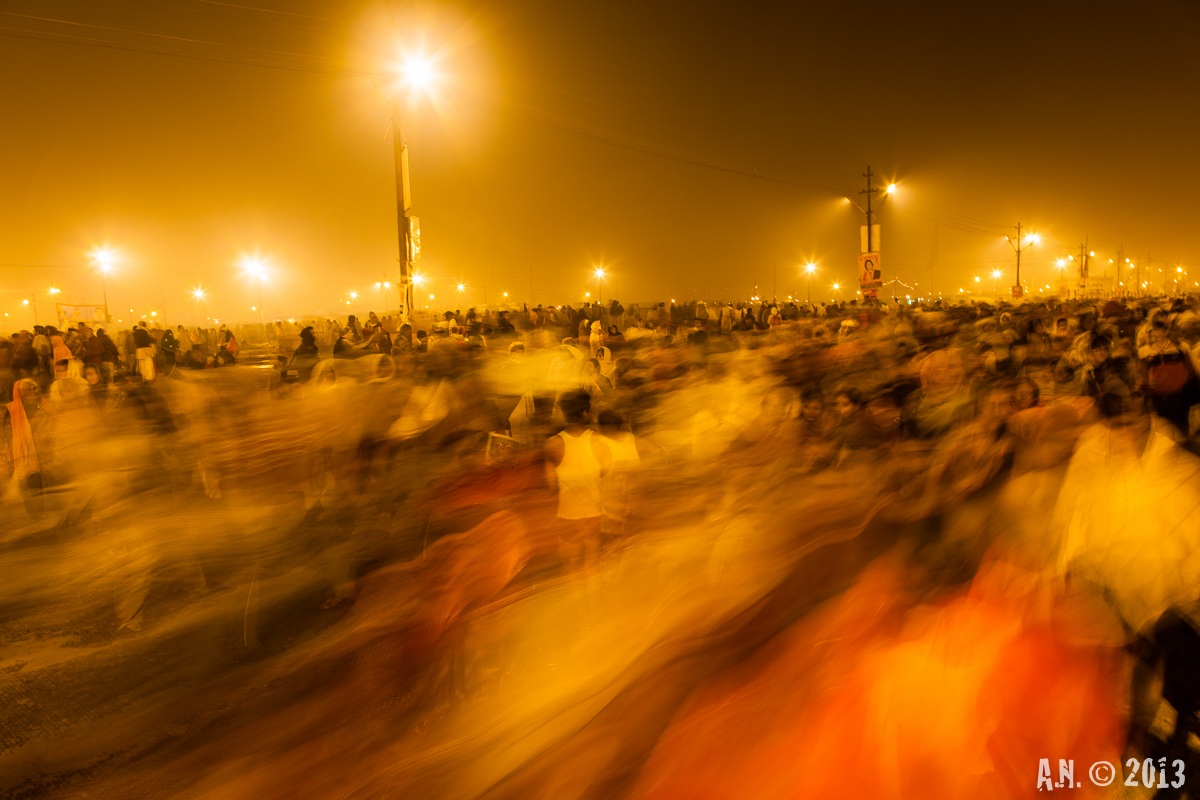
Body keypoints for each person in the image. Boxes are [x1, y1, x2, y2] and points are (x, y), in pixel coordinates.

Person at [544, 390, 611, 573]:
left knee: (571, 566)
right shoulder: (600, 443)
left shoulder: (552, 444)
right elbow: (604, 473)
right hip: (592, 512)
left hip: (567, 513)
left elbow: (551, 485)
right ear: (585, 413)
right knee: (592, 565)